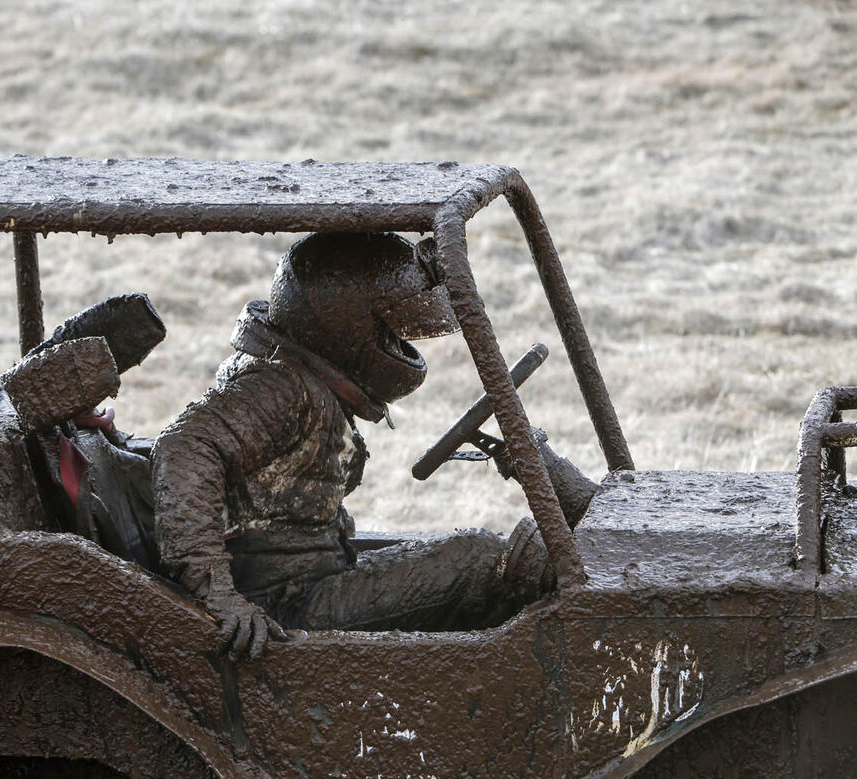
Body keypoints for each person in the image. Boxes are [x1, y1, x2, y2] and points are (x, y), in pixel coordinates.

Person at [151, 232, 577, 662]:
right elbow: (185, 444)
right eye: (387, 332)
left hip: (310, 578)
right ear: (347, 326)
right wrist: (216, 592)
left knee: (479, 558)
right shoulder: (281, 387)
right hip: (285, 605)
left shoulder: (295, 373)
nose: (396, 345)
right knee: (481, 559)